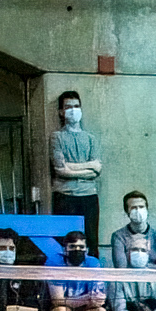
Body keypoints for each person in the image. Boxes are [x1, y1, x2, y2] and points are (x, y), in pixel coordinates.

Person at [50, 91, 102, 253]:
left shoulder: (90, 138)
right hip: (65, 196)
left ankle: (93, 276)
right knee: (65, 240)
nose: (73, 110)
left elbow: (97, 170)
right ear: (61, 112)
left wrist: (71, 167)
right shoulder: (57, 137)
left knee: (91, 240)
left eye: (76, 106)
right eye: (68, 107)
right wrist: (88, 166)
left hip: (89, 196)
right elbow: (60, 169)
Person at [109, 191, 156, 269]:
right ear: (127, 211)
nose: (138, 211)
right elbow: (121, 268)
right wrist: (155, 267)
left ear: (147, 209)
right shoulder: (119, 236)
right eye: (133, 208)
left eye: (141, 207)